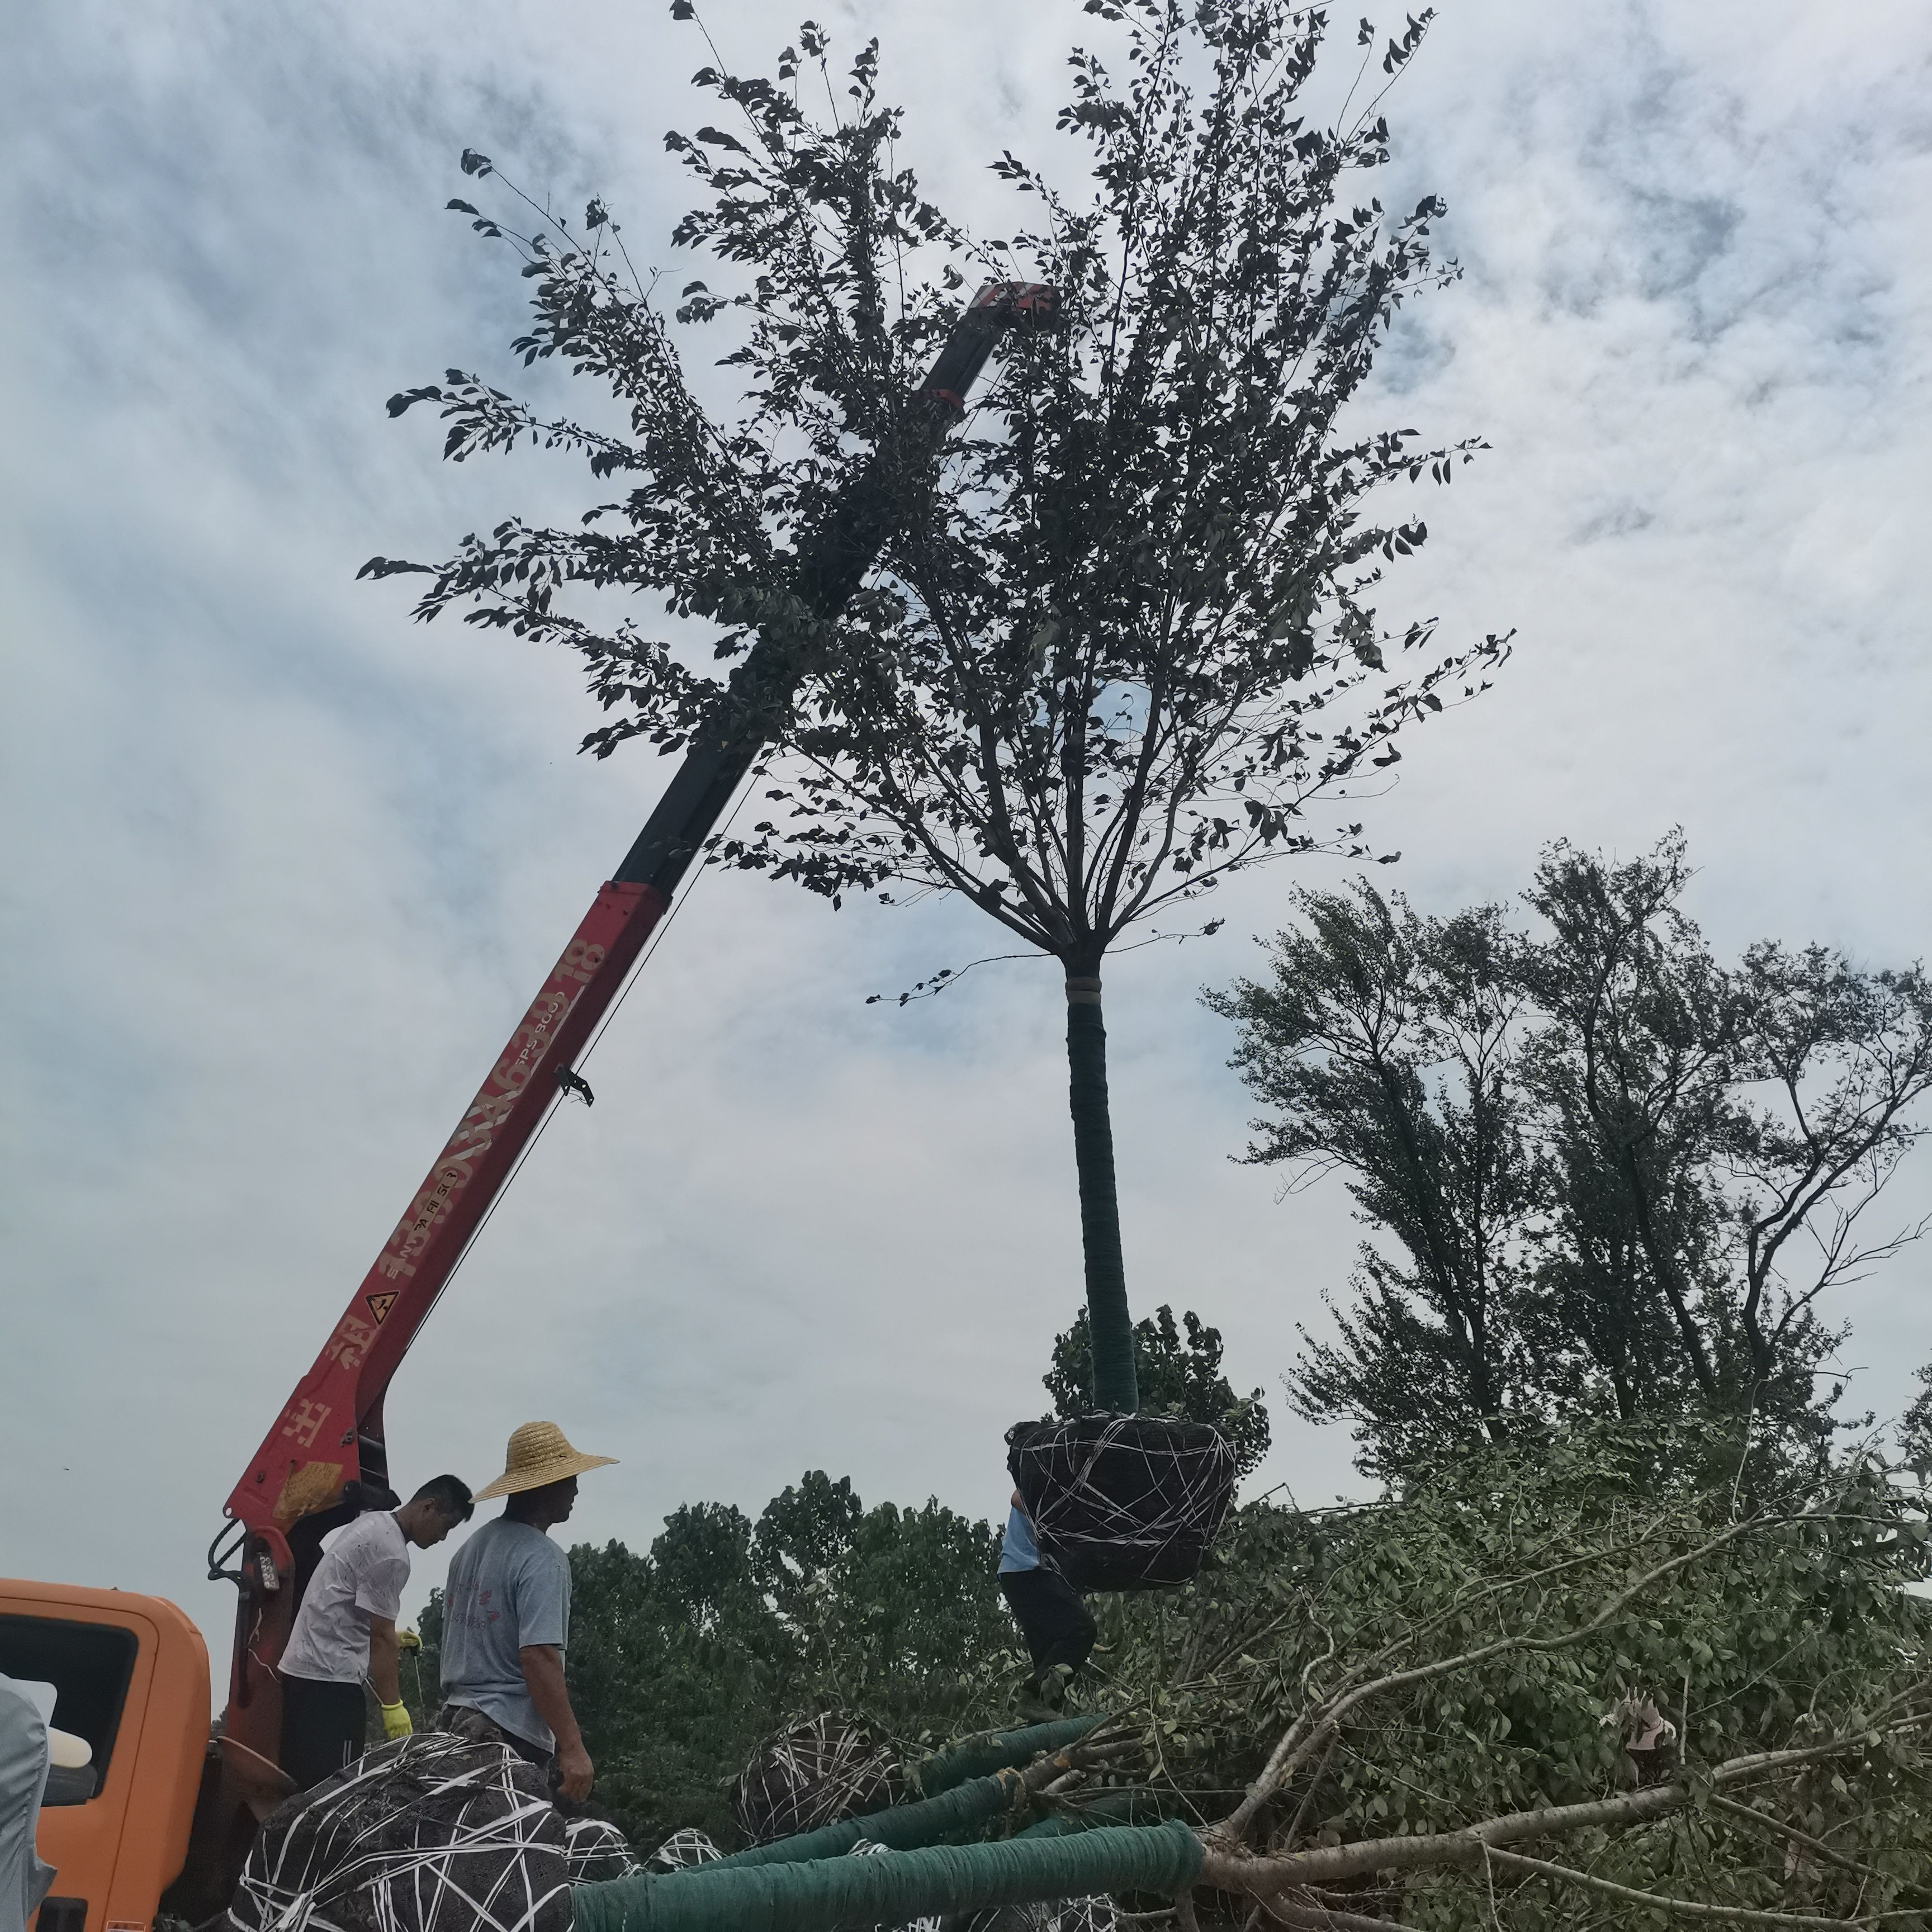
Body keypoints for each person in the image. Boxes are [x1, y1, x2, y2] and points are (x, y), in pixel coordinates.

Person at [435, 1421, 615, 1803]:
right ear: (545, 1486)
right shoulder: (543, 1558)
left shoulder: (469, 1550)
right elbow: (538, 1656)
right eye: (569, 1480)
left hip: (453, 1726)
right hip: (504, 1736)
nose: (577, 1490)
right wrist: (571, 1748)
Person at [278, 1474, 475, 1791]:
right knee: (331, 1792)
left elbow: (354, 1610)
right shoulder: (393, 1554)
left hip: (306, 1671)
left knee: (302, 1784)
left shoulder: (373, 1523)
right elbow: (379, 1637)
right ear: (429, 1507)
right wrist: (393, 1706)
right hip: (330, 1685)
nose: (442, 1537)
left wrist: (392, 1638)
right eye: (446, 1526)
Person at [998, 1489, 1096, 1710]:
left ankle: (1041, 1716)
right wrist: (1056, 1526)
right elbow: (1017, 1498)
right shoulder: (1051, 1469)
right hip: (1026, 1571)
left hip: (1023, 1575)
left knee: (1048, 1658)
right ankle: (1032, 1696)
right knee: (1083, 1630)